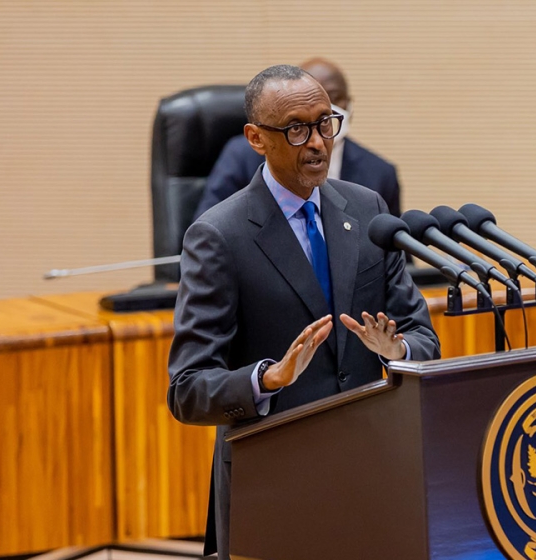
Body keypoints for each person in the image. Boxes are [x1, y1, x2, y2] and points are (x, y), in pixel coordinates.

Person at [167, 64, 440, 559]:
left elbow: (422, 335)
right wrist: (267, 379)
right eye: (296, 128)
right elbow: (187, 390)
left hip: (372, 474)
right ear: (256, 138)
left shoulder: (368, 209)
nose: (317, 142)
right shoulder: (219, 236)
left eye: (325, 122)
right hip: (275, 483)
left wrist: (395, 348)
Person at [193, 58, 402, 219]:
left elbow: (395, 262)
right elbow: (210, 227)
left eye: (334, 98)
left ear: (350, 105)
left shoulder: (380, 174)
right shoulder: (240, 156)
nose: (317, 142)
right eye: (297, 127)